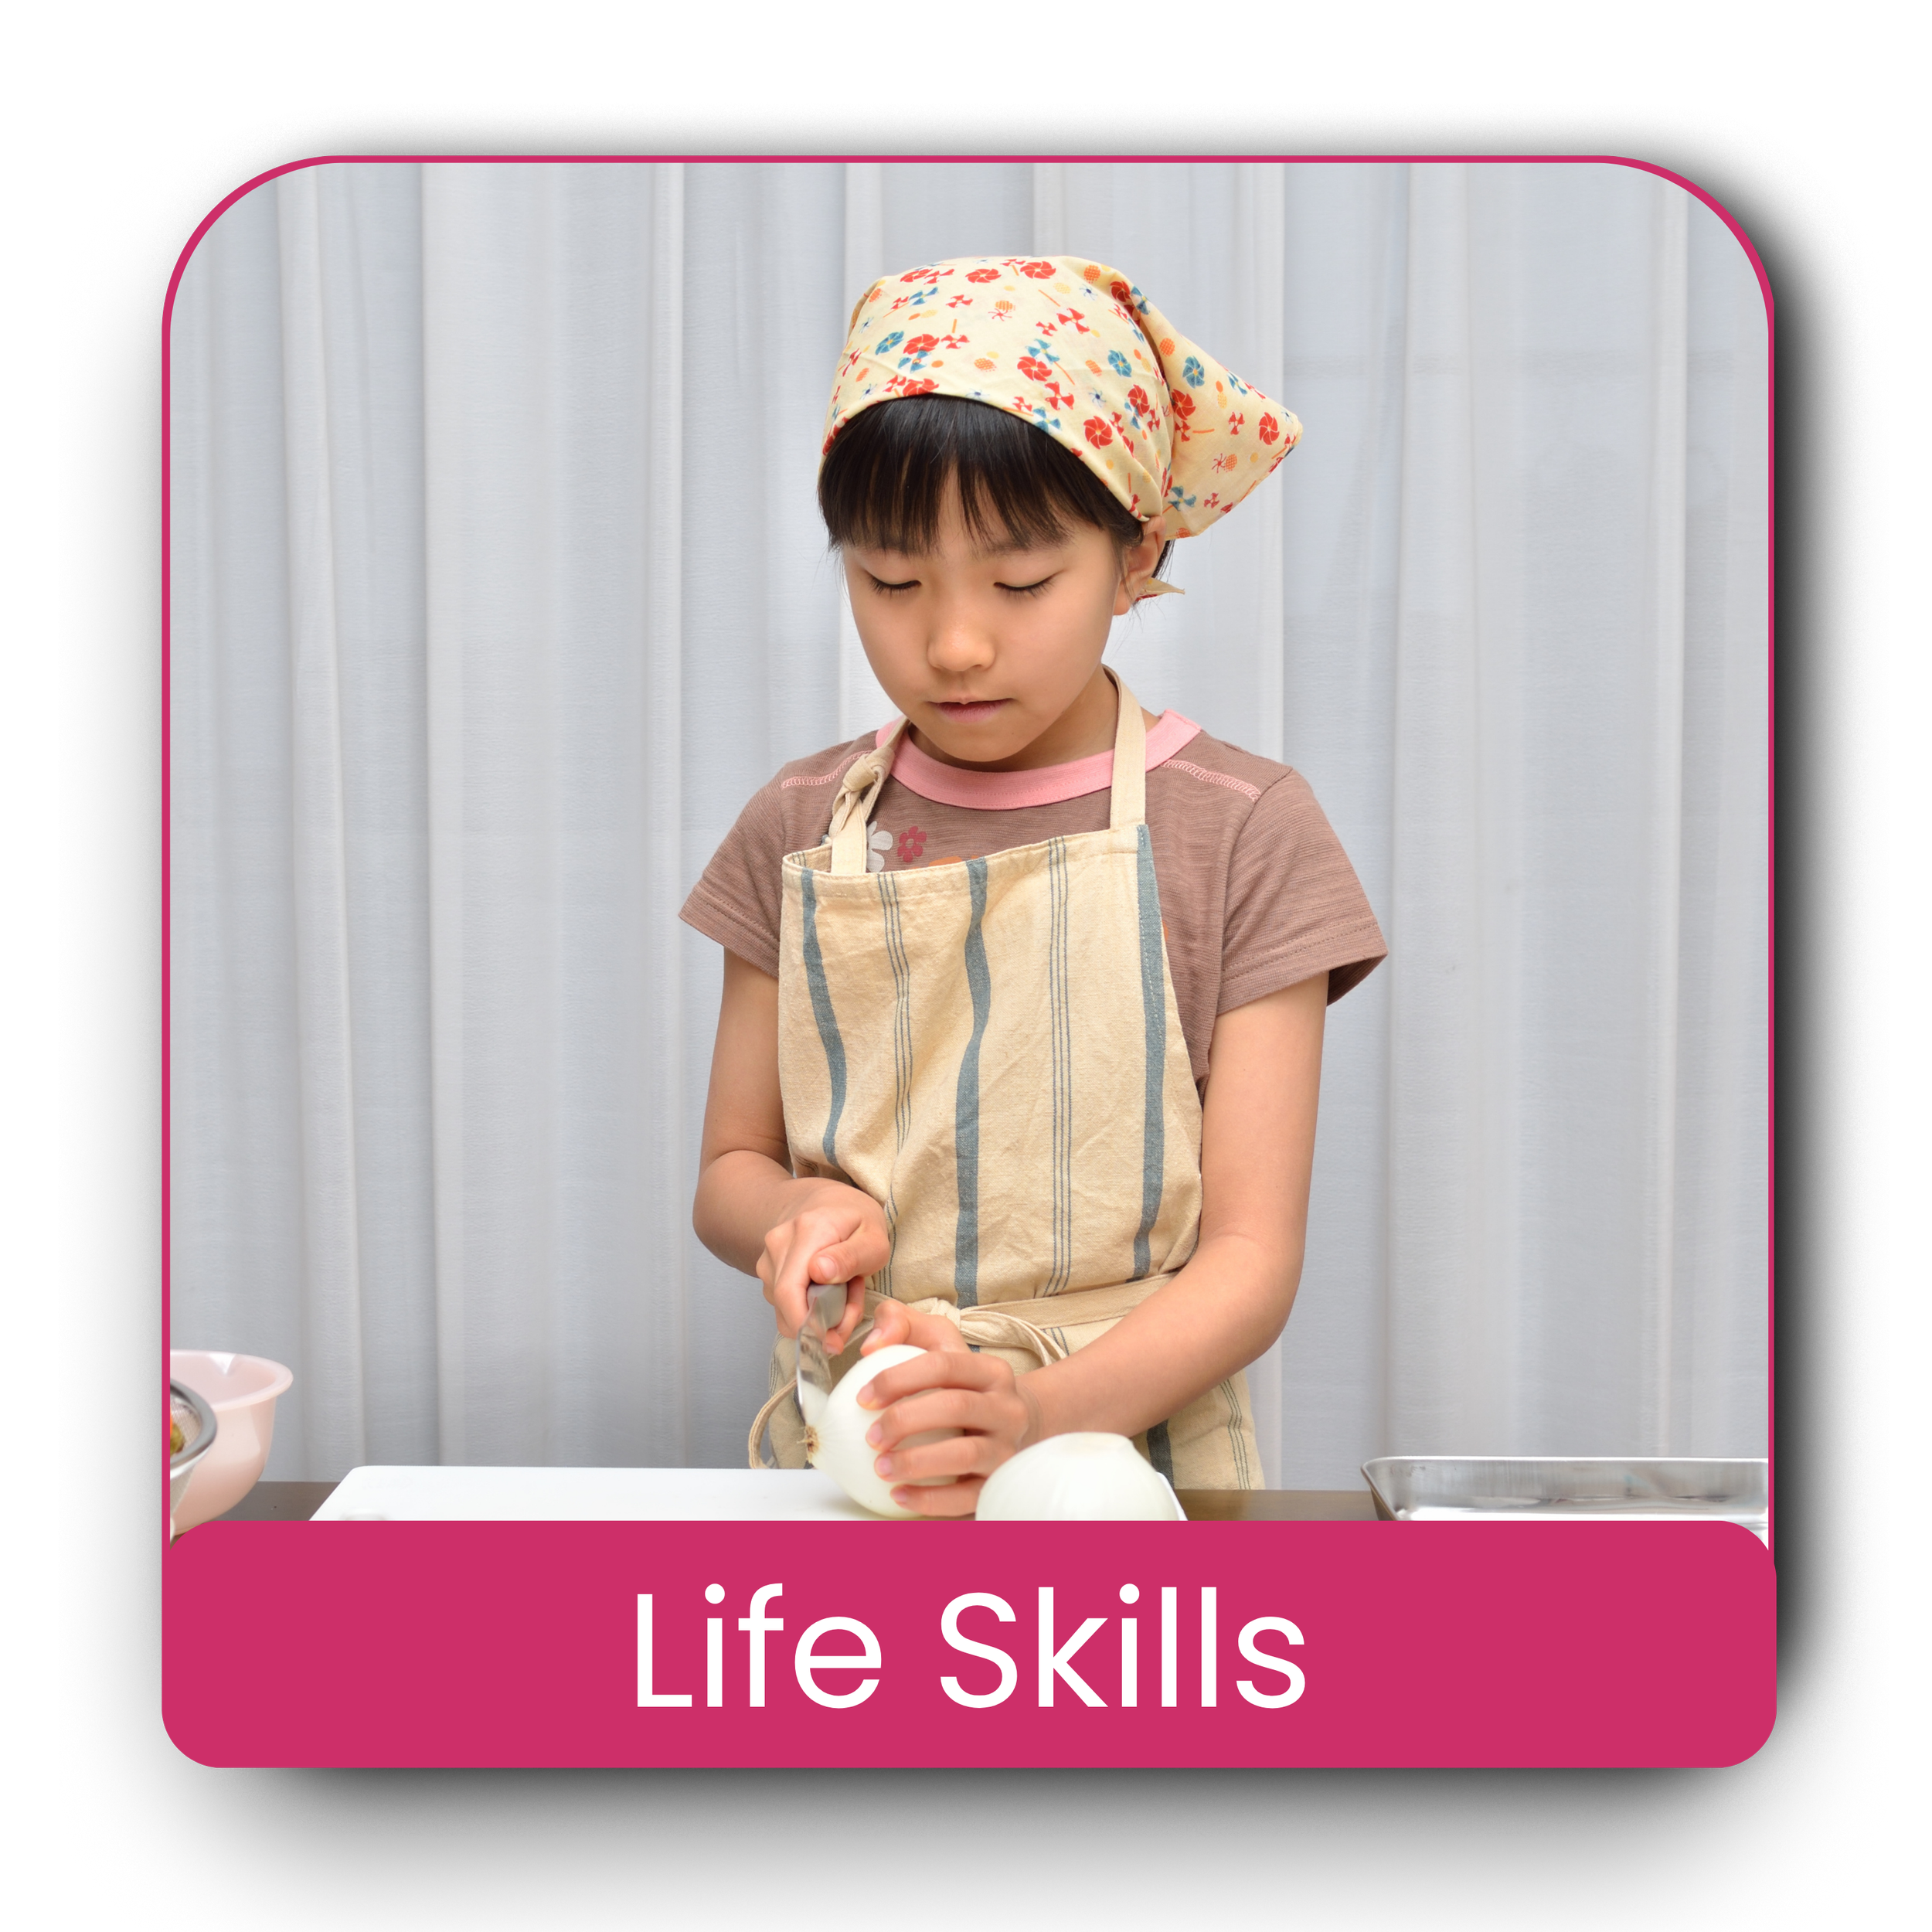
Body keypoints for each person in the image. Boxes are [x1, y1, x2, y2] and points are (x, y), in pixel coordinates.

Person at [683, 255, 1386, 1512]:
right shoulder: (801, 822)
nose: (954, 643)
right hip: (864, 1446)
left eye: (1019, 584)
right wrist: (798, 1211)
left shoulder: (1245, 831)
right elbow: (731, 1166)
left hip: (1130, 1463)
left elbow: (1250, 1259)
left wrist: (1032, 1417)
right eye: (891, 581)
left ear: (1135, 555)